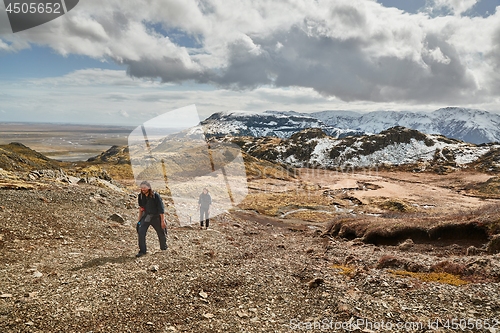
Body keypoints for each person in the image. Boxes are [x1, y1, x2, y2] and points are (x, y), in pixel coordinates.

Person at [136, 181, 167, 257]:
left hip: (156, 217)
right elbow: (141, 208)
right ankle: (142, 251)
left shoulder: (156, 196)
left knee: (161, 232)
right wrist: (139, 220)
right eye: (142, 187)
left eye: (145, 187)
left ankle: (164, 249)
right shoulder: (140, 196)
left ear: (149, 187)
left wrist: (162, 221)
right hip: (146, 217)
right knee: (141, 232)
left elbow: (161, 209)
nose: (143, 189)